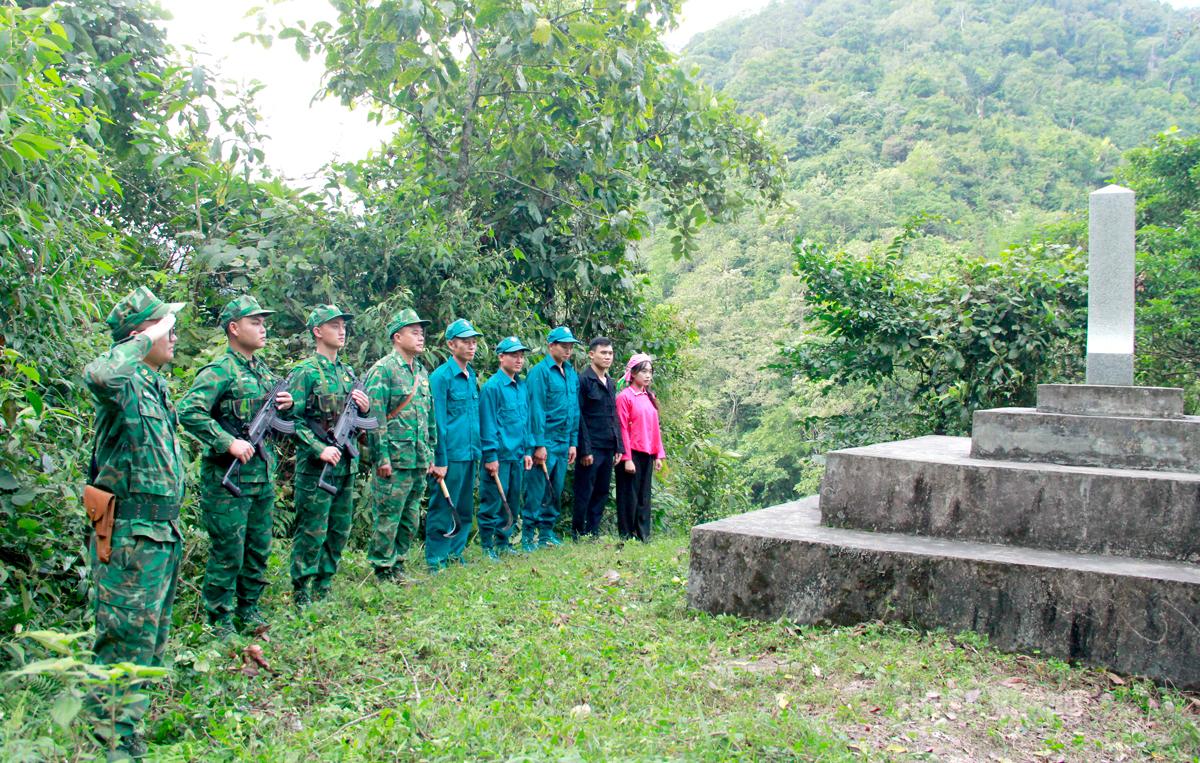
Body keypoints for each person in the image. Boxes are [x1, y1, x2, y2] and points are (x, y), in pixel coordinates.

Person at [83, 286, 186, 759]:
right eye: (165, 326)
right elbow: (100, 371)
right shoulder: (121, 378)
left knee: (148, 643)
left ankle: (126, 728)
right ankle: (109, 739)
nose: (173, 334)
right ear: (138, 335)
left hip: (161, 533)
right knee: (123, 640)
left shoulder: (151, 384)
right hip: (129, 535)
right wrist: (145, 336)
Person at [178, 295, 293, 638]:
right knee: (229, 551)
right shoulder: (220, 370)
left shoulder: (262, 371)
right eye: (255, 322)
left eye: (263, 322)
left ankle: (249, 609)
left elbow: (276, 419)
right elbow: (189, 411)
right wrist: (227, 441)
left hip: (259, 477)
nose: (263, 328)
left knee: (257, 549)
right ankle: (218, 621)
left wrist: (287, 404)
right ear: (234, 328)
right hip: (227, 482)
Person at [288, 304, 370, 607]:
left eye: (344, 325)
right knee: (311, 531)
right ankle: (302, 592)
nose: (342, 330)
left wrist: (365, 407)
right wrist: (318, 447)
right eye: (334, 325)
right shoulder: (304, 373)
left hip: (346, 465)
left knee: (338, 530)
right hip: (315, 469)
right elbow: (289, 421)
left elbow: (360, 420)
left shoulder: (347, 373)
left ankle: (323, 586)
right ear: (317, 332)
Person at [364, 309, 434, 583]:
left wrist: (430, 452)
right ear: (397, 336)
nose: (420, 337)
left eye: (421, 332)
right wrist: (381, 458)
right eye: (414, 332)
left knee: (410, 517)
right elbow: (375, 418)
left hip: (417, 459)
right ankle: (382, 569)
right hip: (393, 459)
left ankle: (399, 566)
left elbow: (429, 418)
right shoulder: (383, 370)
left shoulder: (421, 372)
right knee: (388, 518)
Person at [426, 318, 483, 571]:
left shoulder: (471, 376)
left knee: (463, 506)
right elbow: (438, 420)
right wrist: (440, 459)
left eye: (473, 342)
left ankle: (455, 553)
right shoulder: (441, 377)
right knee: (442, 507)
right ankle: (436, 558)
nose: (471, 346)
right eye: (465, 342)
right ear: (451, 345)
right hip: (450, 455)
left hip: (470, 453)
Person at [522, 326, 581, 551]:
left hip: (564, 441)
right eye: (563, 346)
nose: (568, 350)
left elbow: (574, 410)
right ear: (551, 346)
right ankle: (528, 536)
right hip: (546, 440)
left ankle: (547, 532)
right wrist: (539, 444)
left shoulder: (571, 374)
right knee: (537, 489)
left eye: (570, 347)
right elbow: (536, 409)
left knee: (555, 489)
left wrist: (573, 442)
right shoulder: (540, 373)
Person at [478, 336, 533, 559]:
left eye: (521, 355)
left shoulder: (521, 386)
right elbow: (488, 423)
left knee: (511, 501)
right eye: (513, 355)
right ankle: (486, 546)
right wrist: (490, 455)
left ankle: (504, 542)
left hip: (517, 455)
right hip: (498, 456)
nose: (519, 359)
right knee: (492, 501)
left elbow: (525, 420)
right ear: (501, 357)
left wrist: (528, 451)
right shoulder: (492, 388)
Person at [573, 337, 623, 539]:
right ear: (591, 354)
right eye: (603, 353)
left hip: (608, 445)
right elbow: (579, 416)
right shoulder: (583, 380)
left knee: (602, 491)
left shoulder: (610, 383)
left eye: (610, 353)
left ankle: (593, 531)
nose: (607, 357)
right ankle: (578, 532)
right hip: (591, 446)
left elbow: (614, 415)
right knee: (584, 490)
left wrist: (619, 446)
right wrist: (585, 449)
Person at [615, 354, 665, 542]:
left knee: (644, 496)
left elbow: (655, 428)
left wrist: (658, 455)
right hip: (631, 453)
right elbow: (622, 428)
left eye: (650, 372)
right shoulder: (624, 397)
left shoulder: (649, 397)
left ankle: (643, 534)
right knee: (629, 495)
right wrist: (627, 458)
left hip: (647, 452)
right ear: (633, 373)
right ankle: (626, 535)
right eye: (643, 371)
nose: (647, 376)